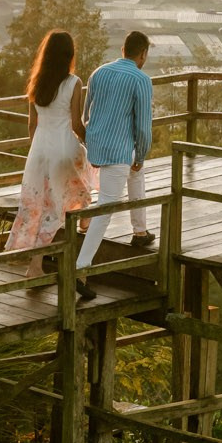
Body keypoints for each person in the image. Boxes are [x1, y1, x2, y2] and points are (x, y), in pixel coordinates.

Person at [5, 29, 99, 276]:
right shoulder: (73, 83)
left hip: (40, 151)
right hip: (64, 148)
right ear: (68, 55)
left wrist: (37, 149)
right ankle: (84, 219)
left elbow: (31, 124)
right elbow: (78, 125)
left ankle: (33, 263)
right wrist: (91, 143)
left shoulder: (36, 83)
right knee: (81, 176)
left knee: (39, 205)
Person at [74, 31, 155, 298]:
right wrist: (140, 154)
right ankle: (81, 268)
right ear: (142, 53)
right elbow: (143, 128)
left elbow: (86, 114)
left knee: (136, 171)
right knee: (105, 209)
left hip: (96, 147)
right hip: (118, 152)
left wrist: (135, 159)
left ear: (123, 49)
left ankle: (140, 231)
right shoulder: (141, 80)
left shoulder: (99, 73)